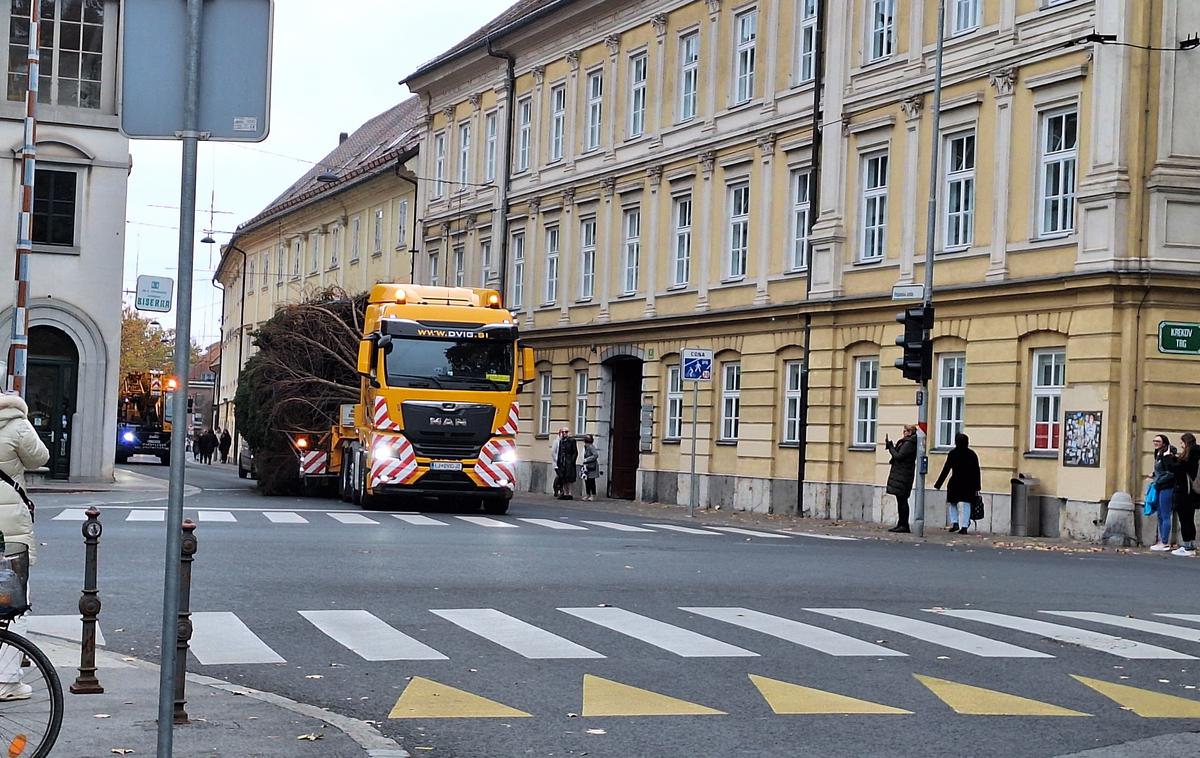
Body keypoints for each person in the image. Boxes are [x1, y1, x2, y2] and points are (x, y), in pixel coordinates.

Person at [0, 390, 49, 700]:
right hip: (8, 529)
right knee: (13, 604)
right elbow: (40, 457)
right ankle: (7, 681)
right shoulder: (15, 423)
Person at [933, 432, 982, 535]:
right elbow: (976, 471)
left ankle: (955, 523)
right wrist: (977, 486)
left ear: (956, 442)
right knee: (966, 504)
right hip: (969, 483)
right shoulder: (972, 454)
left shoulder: (953, 453)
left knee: (953, 503)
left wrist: (938, 484)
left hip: (955, 482)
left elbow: (946, 469)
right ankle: (964, 526)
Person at [1147, 433, 1177, 552]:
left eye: (1158, 441)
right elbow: (1161, 470)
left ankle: (1164, 542)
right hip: (1160, 487)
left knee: (1165, 515)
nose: (1155, 443)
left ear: (1164, 443)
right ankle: (1161, 540)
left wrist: (1158, 481)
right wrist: (1153, 474)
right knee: (1160, 514)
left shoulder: (1166, 455)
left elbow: (1170, 472)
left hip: (1167, 487)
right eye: (1154, 441)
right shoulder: (1158, 454)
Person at [885, 425, 918, 533]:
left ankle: (904, 524)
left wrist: (891, 447)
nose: (903, 433)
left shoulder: (909, 443)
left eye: (905, 431)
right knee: (901, 500)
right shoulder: (906, 442)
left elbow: (899, 456)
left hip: (904, 475)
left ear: (909, 432)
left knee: (902, 500)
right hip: (901, 474)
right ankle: (901, 523)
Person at [1170, 432, 1198, 557]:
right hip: (1193, 493)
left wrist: (1169, 459)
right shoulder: (1195, 455)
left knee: (1185, 519)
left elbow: (1176, 469)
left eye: (1182, 442)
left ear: (1186, 443)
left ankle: (1187, 547)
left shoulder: (1188, 457)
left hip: (1184, 493)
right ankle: (1190, 545)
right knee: (1190, 519)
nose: (1180, 445)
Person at [555, 429, 578, 500]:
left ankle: (570, 493)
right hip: (562, 462)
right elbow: (559, 452)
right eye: (563, 432)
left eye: (566, 432)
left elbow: (575, 452)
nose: (564, 433)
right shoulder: (561, 441)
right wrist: (558, 462)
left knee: (569, 478)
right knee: (563, 478)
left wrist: (572, 461)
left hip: (569, 462)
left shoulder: (572, 441)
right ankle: (565, 493)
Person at [580, 435, 600, 501]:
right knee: (587, 481)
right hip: (587, 467)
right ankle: (588, 494)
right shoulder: (585, 447)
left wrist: (587, 459)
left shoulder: (591, 447)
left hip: (592, 466)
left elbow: (595, 455)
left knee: (591, 481)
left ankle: (593, 495)